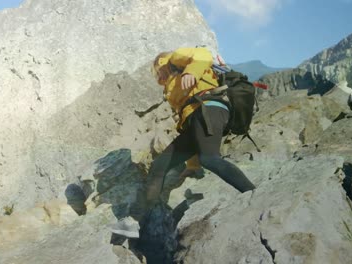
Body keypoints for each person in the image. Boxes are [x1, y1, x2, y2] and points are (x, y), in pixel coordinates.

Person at [110, 46, 256, 238]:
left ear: (159, 64)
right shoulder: (172, 82)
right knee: (160, 165)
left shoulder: (175, 60)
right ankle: (134, 222)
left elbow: (203, 54)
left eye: (156, 72)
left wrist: (191, 72)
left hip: (209, 108)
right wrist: (192, 165)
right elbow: (196, 134)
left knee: (210, 159)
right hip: (197, 118)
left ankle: (254, 194)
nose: (157, 78)